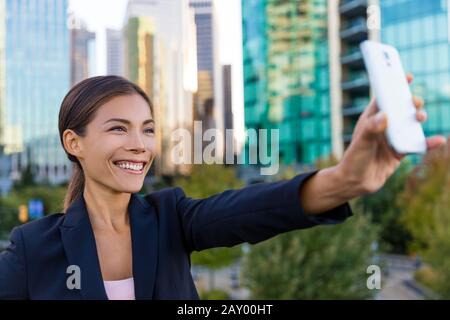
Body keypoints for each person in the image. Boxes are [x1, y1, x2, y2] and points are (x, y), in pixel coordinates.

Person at [0, 75, 445, 300]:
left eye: (149, 129)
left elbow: (254, 208)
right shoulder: (31, 248)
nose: (139, 145)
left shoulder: (171, 217)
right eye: (119, 129)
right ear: (72, 142)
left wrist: (345, 180)